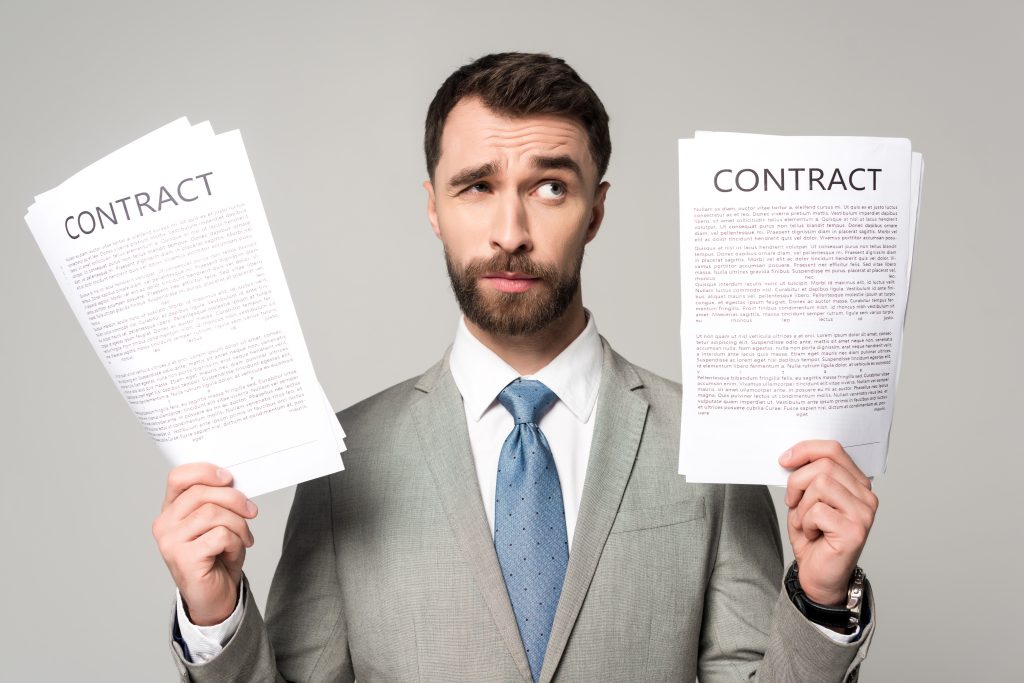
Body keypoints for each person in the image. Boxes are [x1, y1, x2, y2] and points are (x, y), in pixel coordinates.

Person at [154, 52, 878, 682]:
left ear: (595, 210)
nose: (510, 233)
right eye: (477, 186)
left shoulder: (706, 444)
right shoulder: (345, 462)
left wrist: (817, 596)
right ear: (433, 207)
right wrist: (213, 613)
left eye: (550, 187)